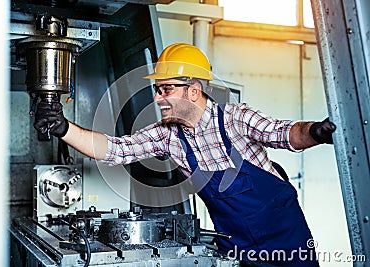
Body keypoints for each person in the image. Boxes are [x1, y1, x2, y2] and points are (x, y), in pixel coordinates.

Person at [34, 43, 336, 266]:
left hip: (288, 245)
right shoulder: (168, 136)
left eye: (165, 89)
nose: (157, 98)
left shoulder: (235, 119)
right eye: (157, 89)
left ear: (193, 91)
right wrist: (64, 128)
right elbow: (114, 149)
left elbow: (284, 133)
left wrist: (315, 132)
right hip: (238, 250)